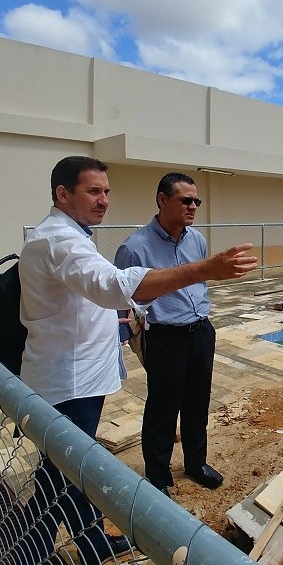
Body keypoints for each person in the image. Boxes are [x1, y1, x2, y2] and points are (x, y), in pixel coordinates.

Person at [18, 156, 256, 565]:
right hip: (72, 377)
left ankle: (82, 539)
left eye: (106, 191)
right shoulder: (62, 241)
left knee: (69, 463)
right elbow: (115, 288)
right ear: (62, 193)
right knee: (64, 467)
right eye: (94, 191)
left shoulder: (73, 235)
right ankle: (31, 550)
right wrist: (207, 269)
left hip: (93, 369)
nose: (104, 199)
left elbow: (94, 301)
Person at [115, 172, 223, 495]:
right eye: (185, 200)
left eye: (196, 201)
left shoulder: (197, 240)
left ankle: (196, 463)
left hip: (200, 331)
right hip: (165, 337)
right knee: (163, 408)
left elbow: (199, 282)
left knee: (197, 402)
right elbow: (121, 299)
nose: (193, 207)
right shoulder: (135, 248)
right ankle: (158, 476)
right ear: (162, 200)